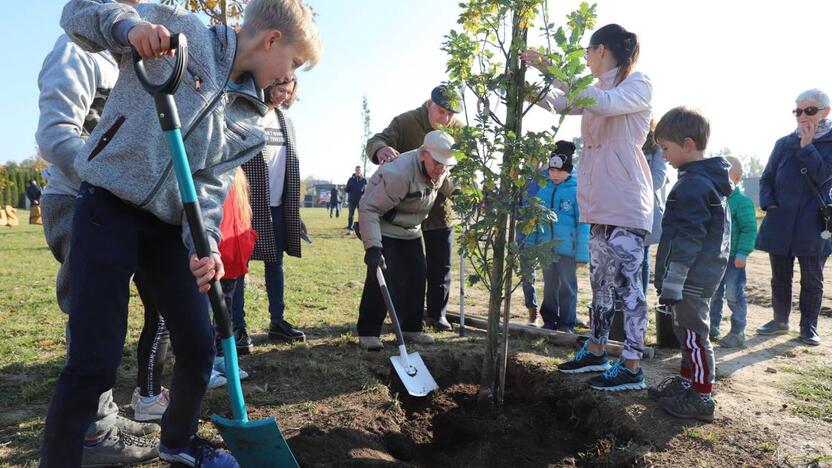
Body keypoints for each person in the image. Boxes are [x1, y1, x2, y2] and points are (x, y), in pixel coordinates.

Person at [42, 0, 321, 465]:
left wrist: (206, 245)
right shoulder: (183, 32)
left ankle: (176, 441)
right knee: (95, 357)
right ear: (271, 41)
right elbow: (77, 12)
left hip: (170, 227)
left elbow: (208, 189)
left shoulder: (252, 117)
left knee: (197, 344)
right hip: (107, 205)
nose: (290, 76)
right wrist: (128, 29)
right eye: (293, 63)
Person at [36, 1, 164, 463]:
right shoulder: (76, 51)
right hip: (77, 199)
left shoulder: (127, 59)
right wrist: (105, 178)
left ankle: (102, 413)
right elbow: (54, 134)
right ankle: (90, 435)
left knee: (111, 313)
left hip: (121, 203)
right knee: (91, 314)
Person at [524, 24, 653, 391]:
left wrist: (553, 70)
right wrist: (531, 83)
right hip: (598, 204)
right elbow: (562, 104)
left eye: (587, 51)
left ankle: (631, 364)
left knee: (627, 285)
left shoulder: (637, 84)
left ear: (601, 50)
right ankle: (596, 348)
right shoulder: (595, 90)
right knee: (599, 282)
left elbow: (606, 105)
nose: (584, 58)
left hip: (626, 202)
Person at [649, 106, 730, 422]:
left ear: (687, 144)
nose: (664, 156)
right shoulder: (701, 181)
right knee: (686, 331)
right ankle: (687, 383)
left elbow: (688, 237)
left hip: (692, 277)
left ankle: (702, 396)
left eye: (666, 149)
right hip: (699, 274)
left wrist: (674, 279)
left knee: (695, 334)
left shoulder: (693, 186)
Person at [366, 84, 462, 331]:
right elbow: (376, 140)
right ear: (429, 104)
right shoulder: (405, 122)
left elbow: (456, 172)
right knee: (398, 269)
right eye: (442, 111)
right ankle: (390, 319)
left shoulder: (459, 132)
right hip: (401, 206)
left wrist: (465, 191)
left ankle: (435, 315)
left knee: (437, 266)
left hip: (438, 210)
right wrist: (381, 149)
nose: (446, 119)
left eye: (451, 114)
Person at [357, 130, 458, 351]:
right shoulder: (399, 174)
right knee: (380, 277)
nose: (441, 169)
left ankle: (412, 328)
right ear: (423, 154)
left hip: (411, 229)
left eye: (446, 165)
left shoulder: (441, 167)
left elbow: (449, 182)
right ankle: (368, 332)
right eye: (438, 164)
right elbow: (369, 208)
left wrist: (461, 193)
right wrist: (372, 247)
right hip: (384, 226)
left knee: (416, 276)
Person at [755, 88, 832, 346]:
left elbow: (822, 176)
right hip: (781, 220)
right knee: (780, 275)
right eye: (798, 111)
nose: (802, 116)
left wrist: (808, 147)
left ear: (825, 112)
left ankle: (808, 327)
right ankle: (779, 320)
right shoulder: (783, 143)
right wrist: (770, 205)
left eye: (809, 110)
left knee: (812, 278)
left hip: (814, 224)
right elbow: (766, 179)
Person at [236, 79, 308, 344]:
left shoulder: (285, 122)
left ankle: (277, 322)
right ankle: (237, 327)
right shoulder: (249, 115)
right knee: (239, 268)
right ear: (267, 86)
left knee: (275, 265)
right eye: (279, 89)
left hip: (278, 206)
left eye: (288, 92)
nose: (282, 96)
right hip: (248, 207)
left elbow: (291, 166)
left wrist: (294, 212)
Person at [527, 141, 589, 333]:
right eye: (552, 170)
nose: (555, 175)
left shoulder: (576, 191)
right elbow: (536, 219)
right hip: (547, 250)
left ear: (569, 170)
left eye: (560, 171)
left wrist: (582, 255)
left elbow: (583, 224)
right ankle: (550, 320)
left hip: (567, 251)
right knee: (549, 286)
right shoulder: (544, 189)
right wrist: (532, 244)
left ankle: (566, 323)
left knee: (567, 287)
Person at [212, 168, 256, 388]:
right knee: (205, 310)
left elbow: (241, 211)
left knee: (225, 309)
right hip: (211, 251)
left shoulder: (237, 171)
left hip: (232, 253)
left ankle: (221, 357)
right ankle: (204, 361)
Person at [708, 156, 757, 347]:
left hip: (734, 258)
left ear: (735, 179)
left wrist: (743, 253)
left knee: (734, 294)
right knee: (713, 293)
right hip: (715, 258)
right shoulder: (715, 200)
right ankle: (712, 326)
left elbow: (749, 228)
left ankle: (738, 332)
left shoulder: (742, 202)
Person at [641, 121, 668, 293]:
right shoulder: (624, 144)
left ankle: (639, 300)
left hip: (645, 210)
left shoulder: (656, 149)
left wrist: (630, 183)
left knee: (642, 258)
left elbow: (658, 179)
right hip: (622, 209)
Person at [345, 165, 367, 230]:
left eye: (359, 170)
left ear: (360, 171)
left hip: (361, 201)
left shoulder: (364, 180)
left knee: (361, 215)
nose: (358, 171)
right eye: (357, 170)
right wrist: (345, 188)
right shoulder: (350, 179)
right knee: (351, 215)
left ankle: (361, 228)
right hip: (352, 200)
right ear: (355, 171)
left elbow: (366, 190)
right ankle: (350, 228)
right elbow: (347, 190)